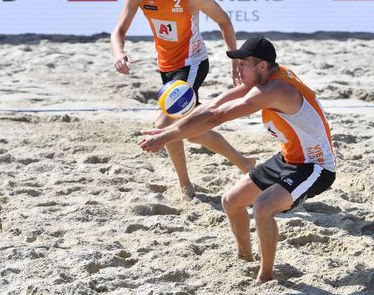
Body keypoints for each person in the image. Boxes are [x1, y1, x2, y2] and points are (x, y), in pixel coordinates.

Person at [138, 36, 336, 283]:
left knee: (263, 206)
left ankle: (266, 277)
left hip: (315, 166)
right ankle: (245, 258)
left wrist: (166, 136)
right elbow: (214, 104)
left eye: (243, 63)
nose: (238, 69)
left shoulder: (276, 90)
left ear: (262, 65)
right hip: (289, 158)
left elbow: (218, 116)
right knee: (231, 201)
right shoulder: (267, 78)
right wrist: (168, 130)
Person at [111, 0, 253, 199]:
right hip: (166, 66)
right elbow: (118, 31)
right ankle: (244, 163)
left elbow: (224, 21)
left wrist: (234, 58)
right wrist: (118, 53)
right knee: (193, 131)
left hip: (193, 63)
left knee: (164, 123)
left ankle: (185, 185)